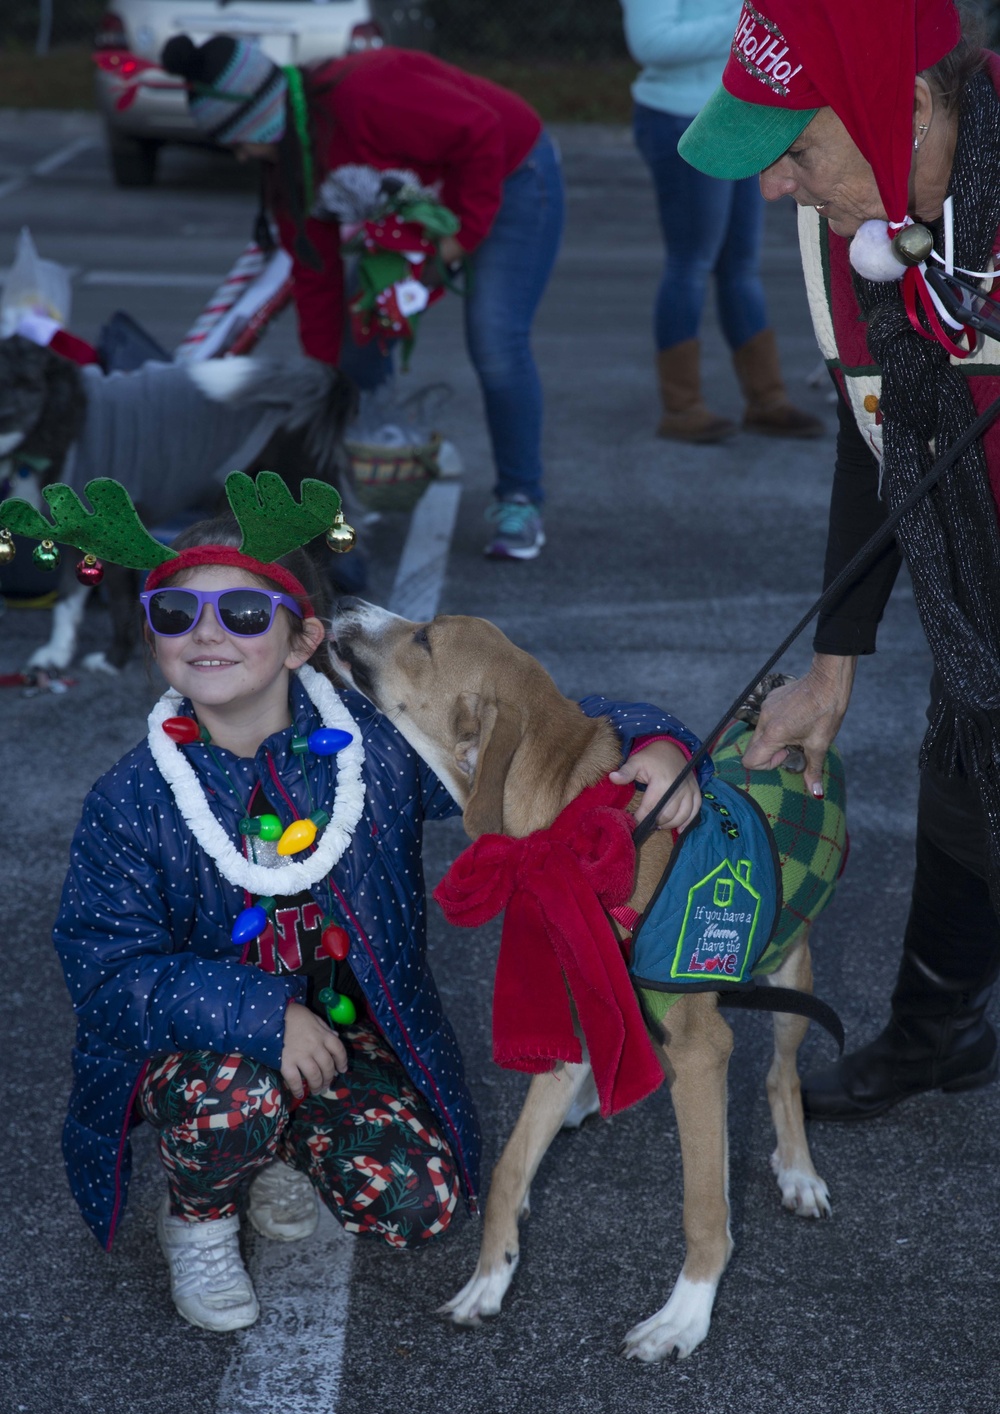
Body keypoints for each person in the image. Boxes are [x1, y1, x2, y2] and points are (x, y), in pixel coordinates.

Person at [40, 481, 710, 1332]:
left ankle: (282, 1150)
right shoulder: (132, 797)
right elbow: (106, 968)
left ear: (303, 642)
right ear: (155, 635)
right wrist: (261, 1017)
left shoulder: (375, 754)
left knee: (419, 1202)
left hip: (348, 1031)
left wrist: (660, 743)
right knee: (232, 1094)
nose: (206, 633)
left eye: (243, 613)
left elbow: (553, 724)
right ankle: (201, 1216)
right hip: (207, 1050)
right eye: (177, 613)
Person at [677, 0, 1000, 1120]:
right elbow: (881, 435)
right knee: (964, 782)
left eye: (797, 148)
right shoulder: (853, 234)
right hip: (983, 590)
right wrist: (834, 667)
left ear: (903, 108)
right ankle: (937, 1032)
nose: (775, 185)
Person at [159, 33, 564, 564]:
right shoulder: (289, 169)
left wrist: (458, 241)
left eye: (237, 140)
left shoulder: (366, 95)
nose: (239, 155)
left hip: (511, 176)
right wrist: (321, 386)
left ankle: (519, 499)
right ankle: (352, 480)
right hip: (425, 204)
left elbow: (480, 132)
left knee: (495, 340)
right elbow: (316, 276)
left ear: (260, 118)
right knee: (361, 334)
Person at [621, 0, 823, 443]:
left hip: (735, 114)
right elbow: (650, 43)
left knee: (740, 266)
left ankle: (766, 400)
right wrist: (750, 18)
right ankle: (682, 408)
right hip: (682, 116)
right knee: (690, 264)